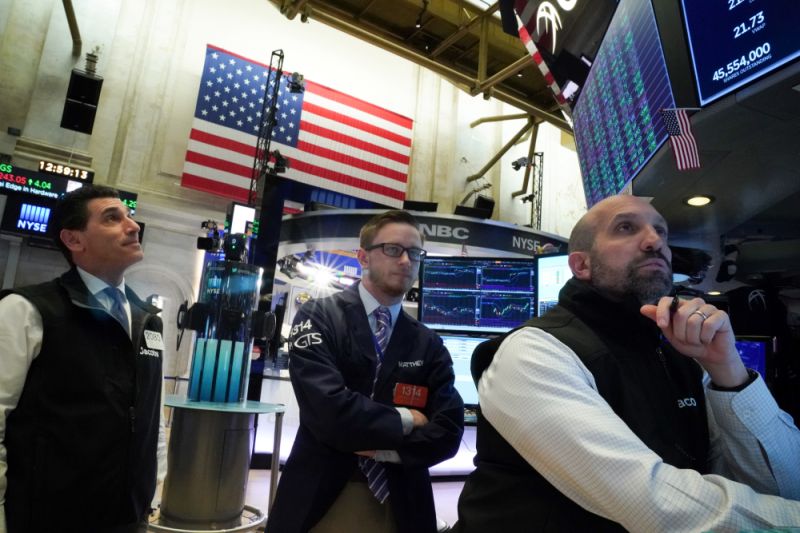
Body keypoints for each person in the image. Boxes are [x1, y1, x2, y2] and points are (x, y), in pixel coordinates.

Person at [455, 195, 800, 532]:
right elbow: (651, 505)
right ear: (581, 265)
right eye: (625, 228)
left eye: (661, 231)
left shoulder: (678, 354)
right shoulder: (534, 352)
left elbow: (783, 485)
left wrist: (728, 370)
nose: (654, 242)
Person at [267, 210, 464, 533]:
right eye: (392, 249)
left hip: (402, 502)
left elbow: (448, 431)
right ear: (363, 256)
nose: (405, 261)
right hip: (321, 494)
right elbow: (329, 411)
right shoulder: (319, 316)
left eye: (414, 253)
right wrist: (406, 419)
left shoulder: (428, 343)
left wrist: (385, 450)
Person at [0, 185, 166, 533]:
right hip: (47, 517)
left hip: (127, 516)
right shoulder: (28, 310)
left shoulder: (148, 319)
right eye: (112, 218)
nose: (133, 226)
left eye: (129, 216)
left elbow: (153, 418)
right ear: (74, 240)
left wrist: (151, 495)